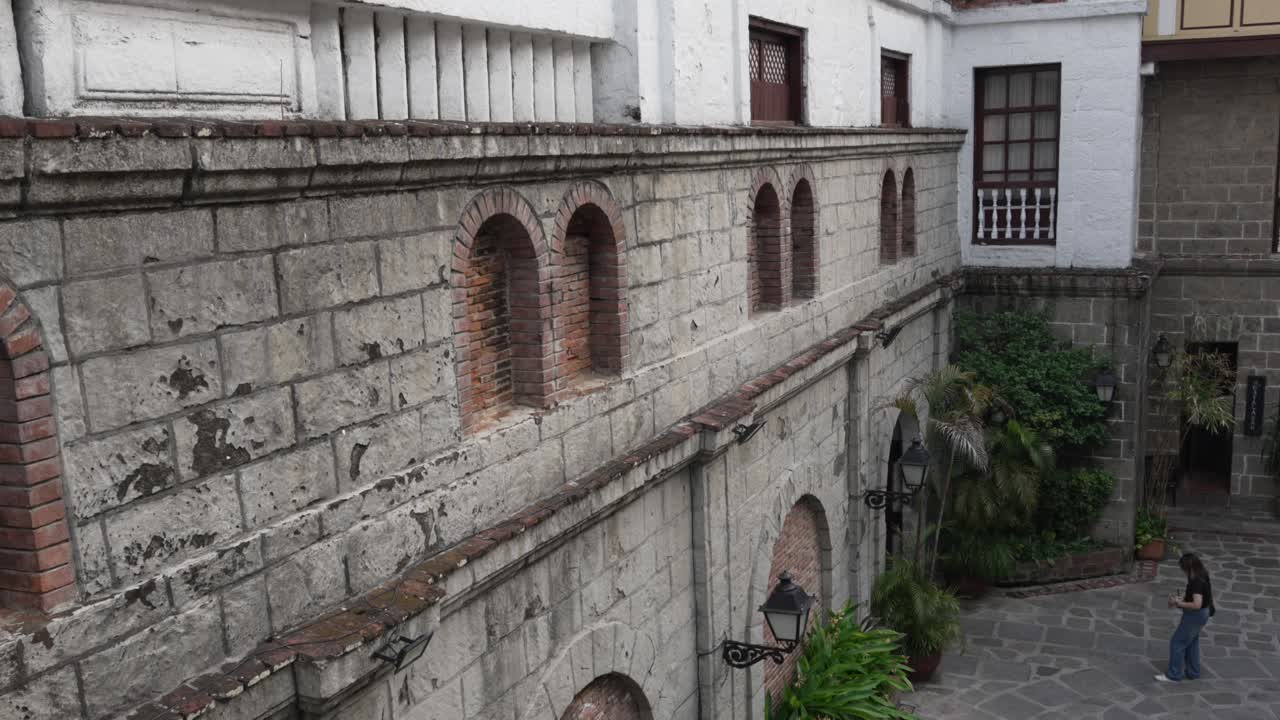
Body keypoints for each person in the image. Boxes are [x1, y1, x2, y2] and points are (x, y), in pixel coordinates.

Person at [1155, 553, 1214, 682]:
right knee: (1192, 643)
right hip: (1202, 614)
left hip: (1195, 615)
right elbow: (1197, 599)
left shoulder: (1196, 581)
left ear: (1188, 567)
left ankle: (1174, 674)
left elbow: (1197, 604)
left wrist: (1178, 603)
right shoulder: (1202, 574)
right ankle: (1193, 672)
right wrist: (1182, 599)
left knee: (1177, 642)